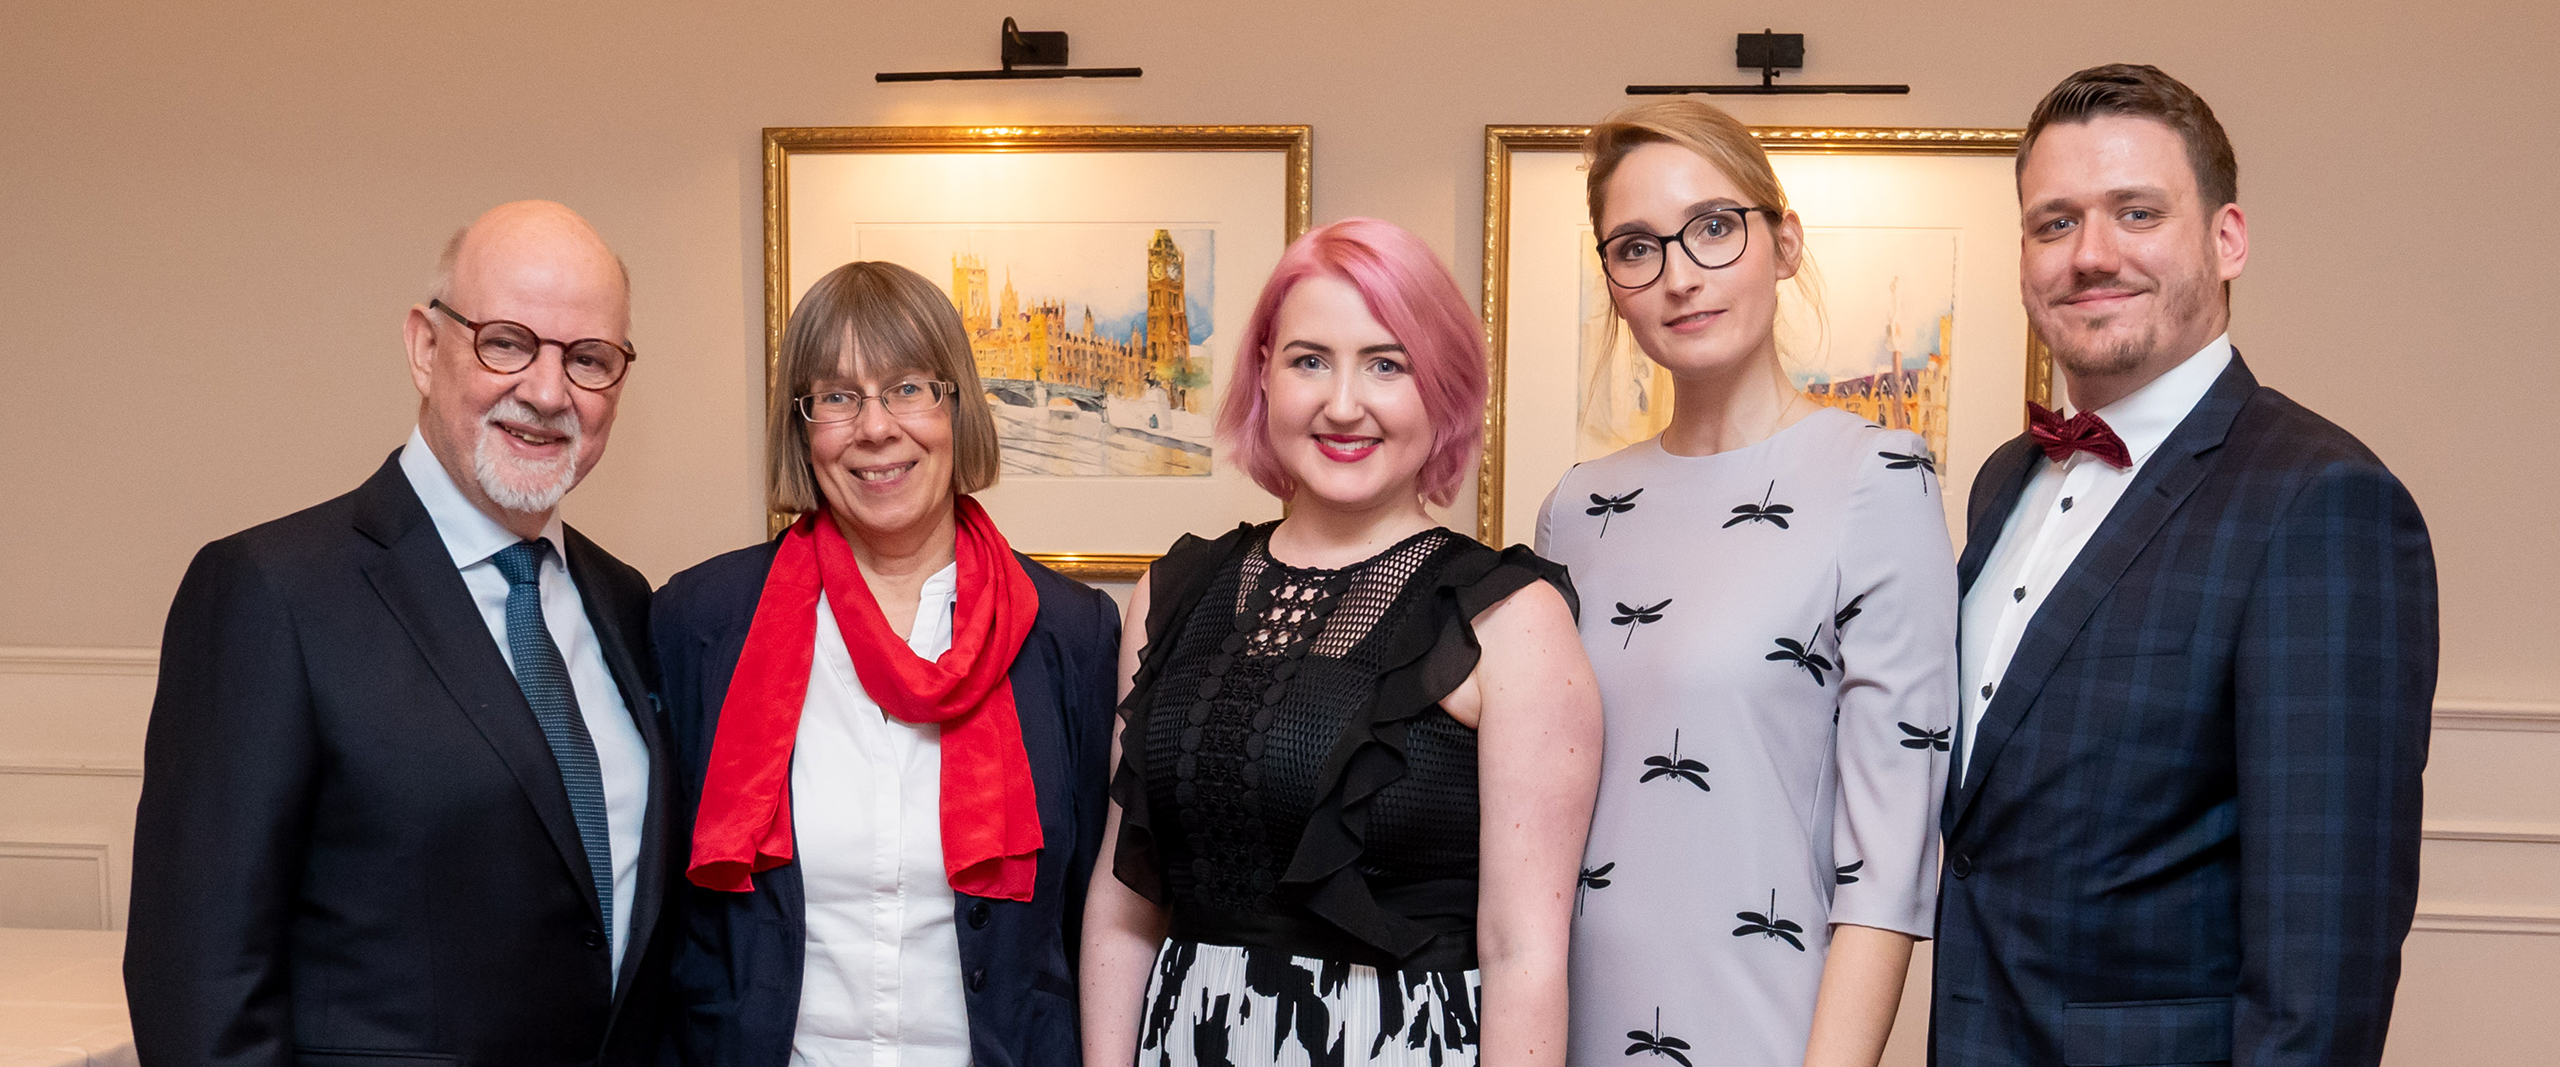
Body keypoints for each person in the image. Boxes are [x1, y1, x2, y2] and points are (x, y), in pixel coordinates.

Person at [1933, 64, 2438, 1067]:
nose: (2091, 254)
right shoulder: (2005, 480)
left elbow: (2321, 967)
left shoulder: (2321, 500)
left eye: (2136, 211)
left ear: (2226, 238)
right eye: (2053, 222)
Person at [126, 201, 670, 1066]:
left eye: (589, 359)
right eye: (506, 341)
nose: (546, 389)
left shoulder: (627, 603)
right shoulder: (271, 593)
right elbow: (200, 982)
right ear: (424, 346)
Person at [1080, 219, 1601, 1067]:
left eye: (1386, 363)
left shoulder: (1511, 617)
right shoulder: (1169, 594)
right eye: (1309, 359)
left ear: (1444, 387)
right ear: (1262, 378)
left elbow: (1525, 955)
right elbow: (1124, 900)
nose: (1343, 402)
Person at [1535, 99, 1955, 1067]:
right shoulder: (1575, 509)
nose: (1679, 275)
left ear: (1785, 242)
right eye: (1635, 247)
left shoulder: (1876, 478)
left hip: (1763, 1029)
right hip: (1568, 1029)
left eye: (1714, 228)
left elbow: (1886, 865)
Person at [652, 261, 1119, 1067]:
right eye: (836, 396)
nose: (874, 427)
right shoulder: (701, 621)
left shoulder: (1069, 632)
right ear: (802, 427)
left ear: (957, 406)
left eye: (908, 387)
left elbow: (1091, 910)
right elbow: (660, 910)